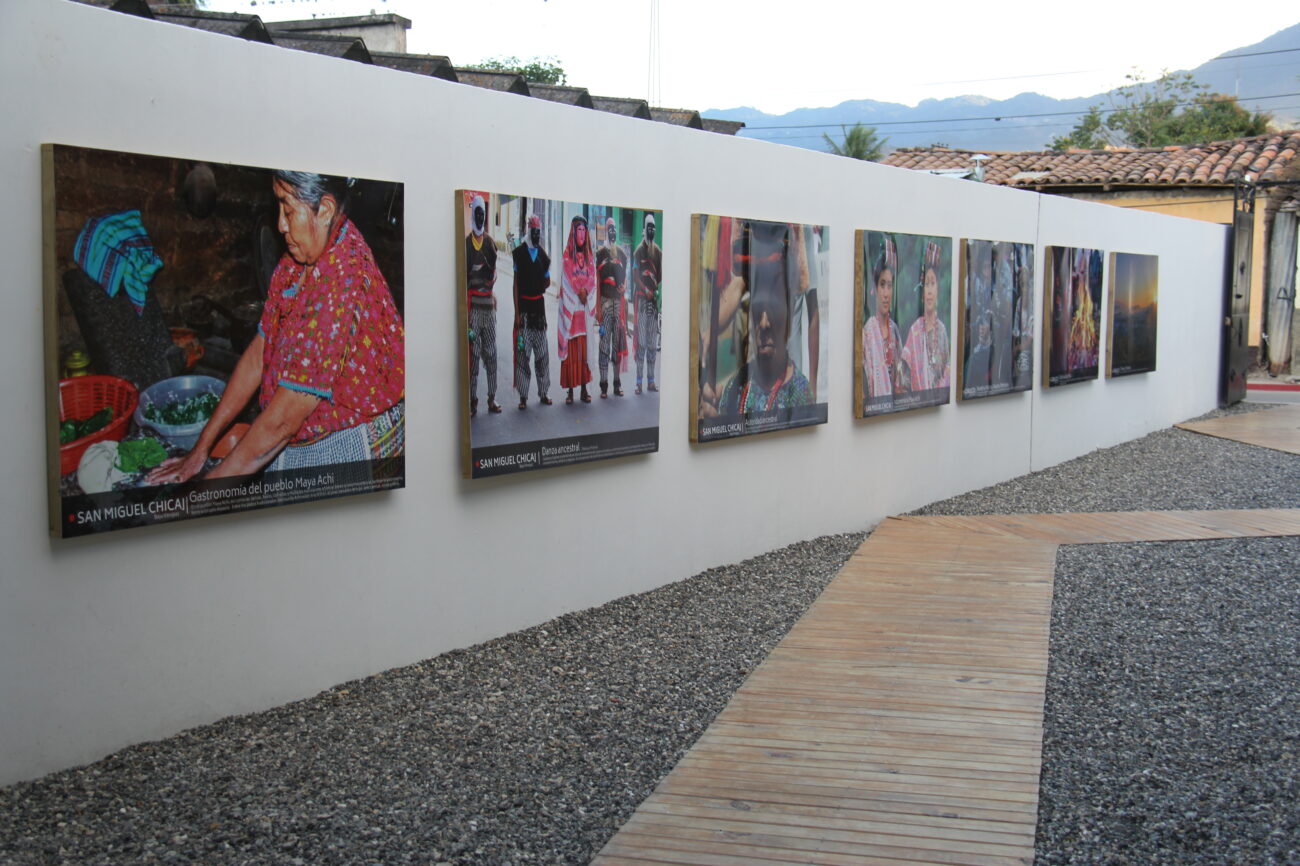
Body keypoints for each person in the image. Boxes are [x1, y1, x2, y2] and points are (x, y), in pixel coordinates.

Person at [149, 170, 404, 484]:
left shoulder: (342, 282)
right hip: (297, 427)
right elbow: (260, 351)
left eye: (288, 209)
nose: (281, 224)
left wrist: (205, 492)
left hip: (350, 442)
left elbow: (283, 422)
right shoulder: (300, 257)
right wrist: (200, 448)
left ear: (324, 209)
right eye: (278, 207)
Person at [711, 221, 813, 415]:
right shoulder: (734, 388)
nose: (764, 323)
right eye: (758, 309)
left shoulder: (799, 394)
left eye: (773, 308)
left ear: (788, 315)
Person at [861, 234, 907, 409]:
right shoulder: (867, 333)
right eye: (882, 285)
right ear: (874, 289)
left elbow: (901, 381)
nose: (886, 294)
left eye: (889, 285)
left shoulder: (895, 331)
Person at [512, 214, 552, 409]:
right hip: (525, 312)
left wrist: (539, 286)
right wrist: (517, 313)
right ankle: (523, 396)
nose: (536, 235)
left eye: (539, 232)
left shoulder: (543, 256)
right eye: (534, 232)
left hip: (539, 312)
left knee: (542, 354)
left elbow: (547, 280)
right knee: (523, 355)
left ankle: (544, 392)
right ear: (529, 231)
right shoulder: (519, 253)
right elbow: (516, 284)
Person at [465, 193, 501, 416]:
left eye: (483, 214)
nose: (480, 217)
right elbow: (465, 277)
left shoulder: (489, 243)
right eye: (477, 213)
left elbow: (494, 273)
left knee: (491, 354)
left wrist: (488, 278)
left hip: (488, 307)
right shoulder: (466, 245)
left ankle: (492, 398)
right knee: (474, 357)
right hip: (473, 309)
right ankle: (472, 400)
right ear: (473, 215)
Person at [900, 242, 950, 394]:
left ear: (938, 289)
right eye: (926, 284)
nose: (929, 291)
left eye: (932, 283)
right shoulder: (914, 331)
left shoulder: (942, 331)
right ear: (922, 293)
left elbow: (947, 373)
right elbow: (903, 379)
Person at [557, 215, 595, 404]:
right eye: (578, 230)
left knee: (584, 351)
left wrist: (585, 291)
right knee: (572, 350)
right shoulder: (567, 256)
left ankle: (584, 390)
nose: (581, 234)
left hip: (584, 309)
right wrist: (578, 291)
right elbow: (567, 277)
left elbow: (592, 276)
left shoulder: (589, 256)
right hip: (572, 311)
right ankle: (571, 391)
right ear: (573, 232)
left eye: (584, 230)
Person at [595, 217, 629, 398]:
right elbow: (597, 281)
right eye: (610, 229)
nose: (613, 233)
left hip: (618, 305)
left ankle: (617, 383)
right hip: (605, 304)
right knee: (604, 345)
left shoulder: (622, 254)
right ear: (606, 233)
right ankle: (603, 385)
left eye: (614, 229)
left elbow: (625, 279)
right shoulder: (600, 254)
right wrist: (598, 310)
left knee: (616, 344)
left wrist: (624, 287)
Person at [632, 212, 662, 394]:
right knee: (642, 343)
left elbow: (660, 275)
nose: (651, 230)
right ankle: (638, 383)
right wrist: (646, 290)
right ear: (644, 229)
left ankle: (651, 381)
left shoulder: (658, 252)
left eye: (653, 228)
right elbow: (636, 276)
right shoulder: (638, 251)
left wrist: (654, 290)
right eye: (648, 227)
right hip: (642, 302)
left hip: (653, 304)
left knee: (652, 344)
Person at [964, 310, 994, 395]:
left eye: (984, 324)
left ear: (991, 328)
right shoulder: (971, 348)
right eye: (980, 324)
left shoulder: (994, 351)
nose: (981, 328)